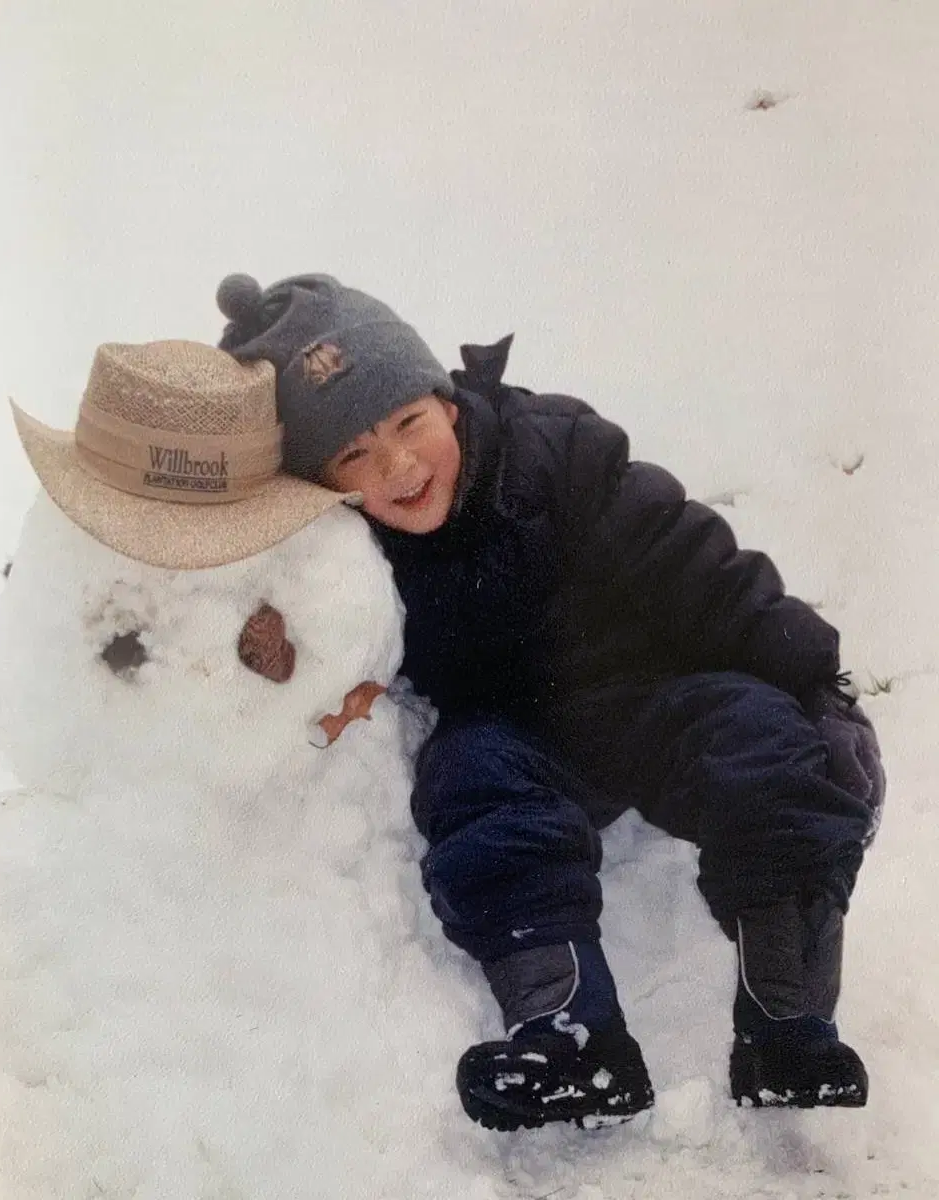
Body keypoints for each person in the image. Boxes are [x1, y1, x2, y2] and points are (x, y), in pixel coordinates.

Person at [215, 272, 885, 1132]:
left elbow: (690, 560)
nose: (398, 466)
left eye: (407, 425)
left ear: (447, 402)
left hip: (652, 695)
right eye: (353, 455)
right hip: (515, 733)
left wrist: (808, 672)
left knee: (764, 742)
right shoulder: (347, 556)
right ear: (327, 483)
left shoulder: (559, 454)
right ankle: (571, 1033)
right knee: (469, 783)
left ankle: (788, 1022)